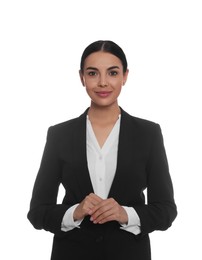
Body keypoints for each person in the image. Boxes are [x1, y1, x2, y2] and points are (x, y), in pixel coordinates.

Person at [27, 40, 177, 260]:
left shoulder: (148, 134)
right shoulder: (59, 135)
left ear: (125, 76)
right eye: (93, 73)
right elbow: (37, 212)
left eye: (113, 73)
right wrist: (74, 212)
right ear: (82, 78)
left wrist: (126, 214)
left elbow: (165, 210)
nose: (103, 82)